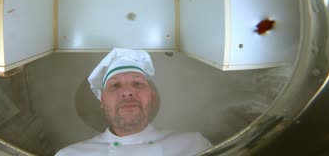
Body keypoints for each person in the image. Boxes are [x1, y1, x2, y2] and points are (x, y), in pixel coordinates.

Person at [55, 48, 213, 156]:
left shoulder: (194, 146)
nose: (127, 92)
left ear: (152, 97)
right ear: (102, 100)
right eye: (115, 85)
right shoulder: (70, 154)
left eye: (137, 83)